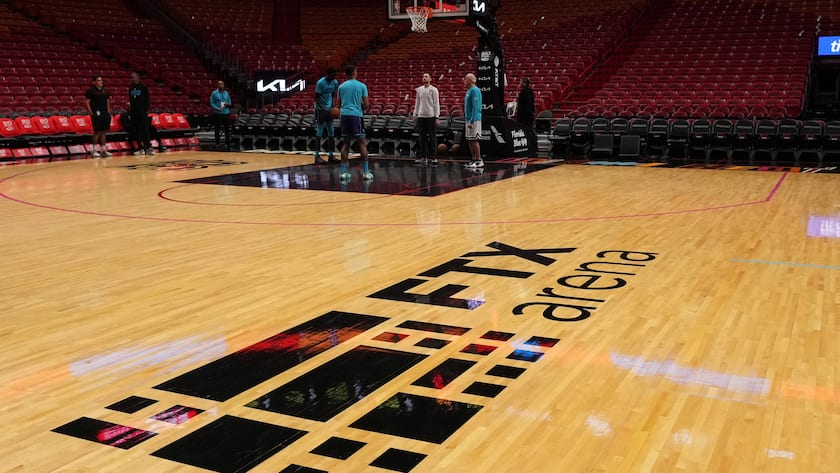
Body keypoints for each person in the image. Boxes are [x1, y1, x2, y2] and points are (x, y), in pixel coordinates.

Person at [337, 65, 372, 181]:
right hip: (356, 116)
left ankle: (343, 173)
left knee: (346, 143)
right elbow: (366, 104)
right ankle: (366, 172)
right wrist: (359, 108)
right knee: (362, 143)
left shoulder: (341, 87)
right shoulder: (362, 85)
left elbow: (339, 104)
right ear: (354, 72)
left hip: (344, 116)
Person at [413, 72, 441, 166]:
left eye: (426, 76)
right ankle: (424, 157)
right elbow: (417, 103)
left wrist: (437, 116)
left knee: (432, 137)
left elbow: (436, 103)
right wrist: (415, 114)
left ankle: (433, 157)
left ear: (430, 79)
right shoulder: (419, 90)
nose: (424, 78)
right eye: (423, 76)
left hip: (431, 116)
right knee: (422, 138)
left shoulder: (434, 90)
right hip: (421, 116)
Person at [313, 68, 339, 164]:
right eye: (331, 75)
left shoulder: (335, 82)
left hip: (329, 109)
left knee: (331, 131)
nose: (333, 77)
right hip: (320, 109)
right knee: (320, 130)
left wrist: (333, 106)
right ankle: (317, 156)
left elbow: (333, 94)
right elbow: (316, 97)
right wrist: (322, 108)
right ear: (327, 74)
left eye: (334, 75)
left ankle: (331, 155)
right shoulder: (320, 83)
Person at [84, 75, 112, 158]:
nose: (101, 82)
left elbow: (107, 101)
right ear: (94, 82)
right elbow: (86, 102)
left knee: (103, 131)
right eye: (99, 80)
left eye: (101, 80)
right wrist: (91, 112)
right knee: (97, 131)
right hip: (96, 113)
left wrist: (108, 112)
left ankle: (103, 150)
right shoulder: (90, 91)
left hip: (104, 113)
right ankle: (94, 150)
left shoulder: (105, 91)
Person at [128, 72, 154, 155]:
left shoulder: (143, 87)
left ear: (138, 77)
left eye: (134, 77)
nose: (133, 79)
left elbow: (147, 99)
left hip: (142, 112)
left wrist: (145, 109)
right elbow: (131, 100)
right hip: (134, 112)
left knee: (145, 130)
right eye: (131, 78)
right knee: (137, 130)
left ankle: (148, 147)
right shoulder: (131, 88)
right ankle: (140, 148)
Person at [463, 73, 483, 169]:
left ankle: (478, 160)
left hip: (474, 119)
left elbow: (476, 107)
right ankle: (474, 159)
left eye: (466, 79)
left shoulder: (475, 90)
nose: (464, 81)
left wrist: (472, 120)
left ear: (471, 80)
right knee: (470, 140)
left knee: (474, 140)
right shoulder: (468, 91)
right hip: (468, 118)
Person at [209, 80, 232, 149]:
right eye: (219, 84)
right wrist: (216, 108)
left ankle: (227, 142)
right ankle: (217, 142)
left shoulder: (226, 93)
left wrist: (228, 104)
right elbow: (212, 103)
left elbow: (229, 101)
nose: (221, 86)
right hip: (218, 113)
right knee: (217, 129)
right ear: (217, 85)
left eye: (222, 84)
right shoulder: (214, 93)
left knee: (227, 129)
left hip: (226, 113)